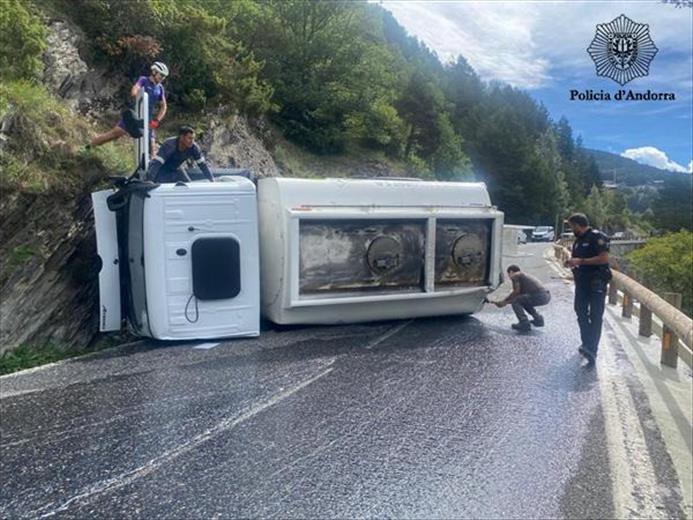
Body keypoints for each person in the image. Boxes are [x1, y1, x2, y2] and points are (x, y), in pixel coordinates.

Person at [90, 62, 169, 153]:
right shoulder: (144, 80)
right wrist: (135, 94)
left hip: (148, 119)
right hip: (134, 115)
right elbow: (135, 88)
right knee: (114, 135)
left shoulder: (160, 88)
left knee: (151, 147)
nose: (162, 78)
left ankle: (148, 166)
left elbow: (164, 106)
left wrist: (157, 120)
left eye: (164, 77)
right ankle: (90, 145)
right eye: (161, 75)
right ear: (154, 72)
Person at [564, 213, 611, 366]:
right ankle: (586, 344)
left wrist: (581, 261)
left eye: (572, 226)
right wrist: (571, 262)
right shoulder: (578, 241)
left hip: (596, 281)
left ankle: (592, 349)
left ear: (578, 225)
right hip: (582, 282)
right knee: (580, 311)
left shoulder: (597, 237)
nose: (571, 229)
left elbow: (604, 259)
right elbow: (577, 259)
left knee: (595, 315)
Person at [147, 125, 215, 183]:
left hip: (176, 169)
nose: (192, 141)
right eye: (190, 138)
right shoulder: (169, 145)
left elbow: (203, 165)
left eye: (193, 139)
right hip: (161, 170)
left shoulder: (194, 147)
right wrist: (149, 180)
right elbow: (157, 163)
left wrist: (212, 180)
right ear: (181, 137)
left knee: (188, 186)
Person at [493, 265, 551, 331]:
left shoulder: (515, 276)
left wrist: (505, 301)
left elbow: (516, 292)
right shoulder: (523, 276)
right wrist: (506, 302)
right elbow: (519, 295)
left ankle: (524, 322)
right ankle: (538, 320)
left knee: (516, 301)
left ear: (511, 272)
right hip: (546, 296)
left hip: (539, 295)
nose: (509, 277)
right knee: (523, 301)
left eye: (508, 274)